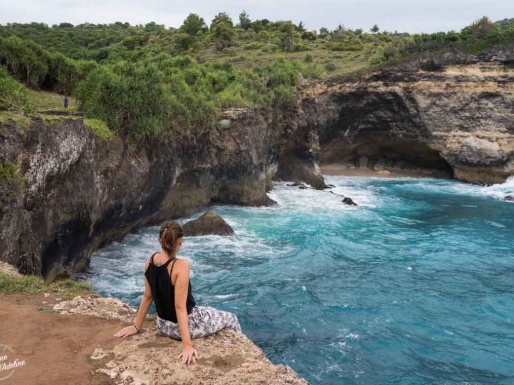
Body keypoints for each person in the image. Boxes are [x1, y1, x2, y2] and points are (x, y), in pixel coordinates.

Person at [114, 222, 242, 364]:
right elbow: (180, 307)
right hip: (186, 326)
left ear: (160, 240)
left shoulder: (150, 260)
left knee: (209, 310)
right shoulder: (181, 266)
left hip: (163, 325)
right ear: (179, 242)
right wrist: (187, 346)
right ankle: (239, 352)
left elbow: (147, 296)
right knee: (231, 318)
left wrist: (136, 326)